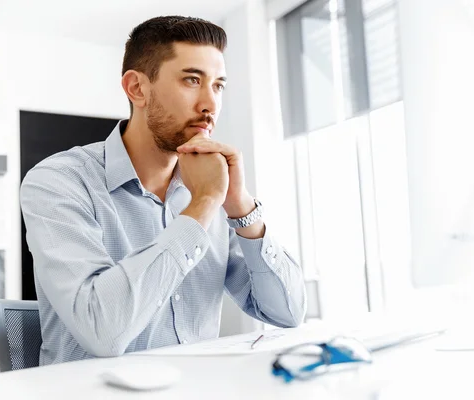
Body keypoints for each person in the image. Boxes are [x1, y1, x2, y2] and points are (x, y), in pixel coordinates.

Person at [20, 15, 306, 365]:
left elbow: (288, 313)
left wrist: (241, 208)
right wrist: (201, 207)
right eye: (191, 80)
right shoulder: (58, 181)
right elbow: (101, 330)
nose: (210, 105)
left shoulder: (213, 191)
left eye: (218, 85)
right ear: (137, 88)